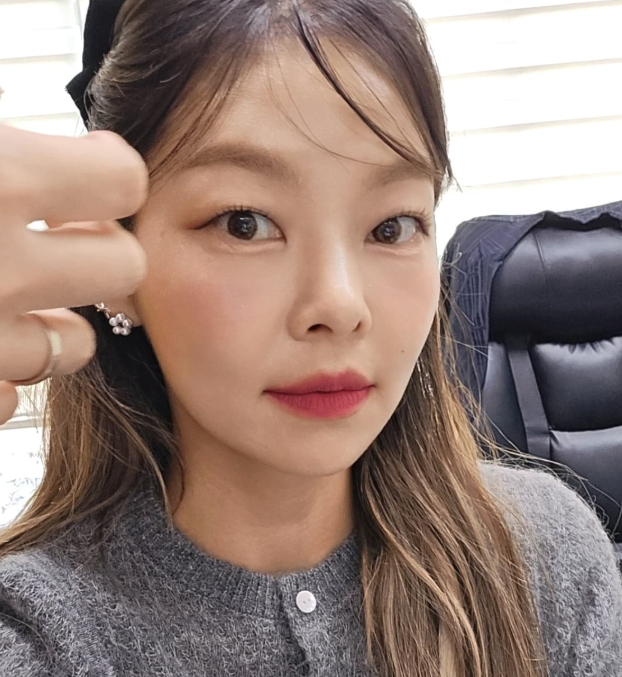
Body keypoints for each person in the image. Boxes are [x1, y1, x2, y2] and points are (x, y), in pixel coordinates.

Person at [0, 0, 620, 675]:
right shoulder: (37, 636)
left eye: (391, 226)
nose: (341, 305)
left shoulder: (543, 561)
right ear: (115, 260)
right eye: (244, 223)